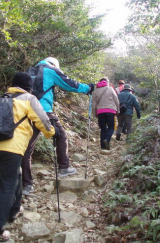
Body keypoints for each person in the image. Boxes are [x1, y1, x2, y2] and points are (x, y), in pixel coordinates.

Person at [0, 72, 55, 242]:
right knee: (7, 185)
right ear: (29, 86)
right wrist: (52, 132)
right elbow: (42, 121)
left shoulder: (2, 98)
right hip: (12, 147)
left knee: (14, 176)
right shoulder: (28, 99)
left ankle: (14, 210)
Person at [22, 57, 94, 195]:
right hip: (44, 111)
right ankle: (63, 167)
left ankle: (27, 184)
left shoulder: (29, 70)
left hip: (26, 111)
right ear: (54, 64)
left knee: (27, 148)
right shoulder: (50, 70)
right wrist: (88, 88)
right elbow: (69, 84)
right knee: (61, 136)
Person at [92, 77, 119, 150]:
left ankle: (103, 147)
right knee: (111, 127)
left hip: (100, 112)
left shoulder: (95, 91)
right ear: (107, 82)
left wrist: (95, 113)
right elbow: (116, 100)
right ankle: (107, 139)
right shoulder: (110, 89)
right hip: (111, 111)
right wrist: (118, 111)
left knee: (103, 129)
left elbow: (93, 104)